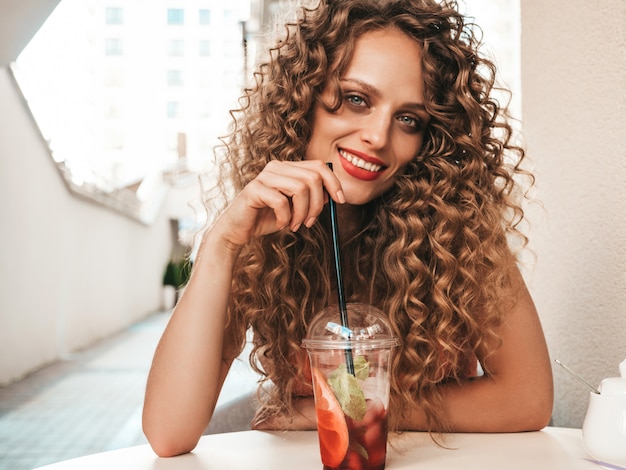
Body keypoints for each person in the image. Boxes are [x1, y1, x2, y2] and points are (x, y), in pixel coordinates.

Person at [142, 0, 554, 458]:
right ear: (303, 98)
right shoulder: (259, 240)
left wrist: (338, 407)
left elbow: (528, 400)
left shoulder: (455, 231)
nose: (378, 135)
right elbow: (168, 433)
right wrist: (220, 244)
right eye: (357, 99)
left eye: (408, 119)